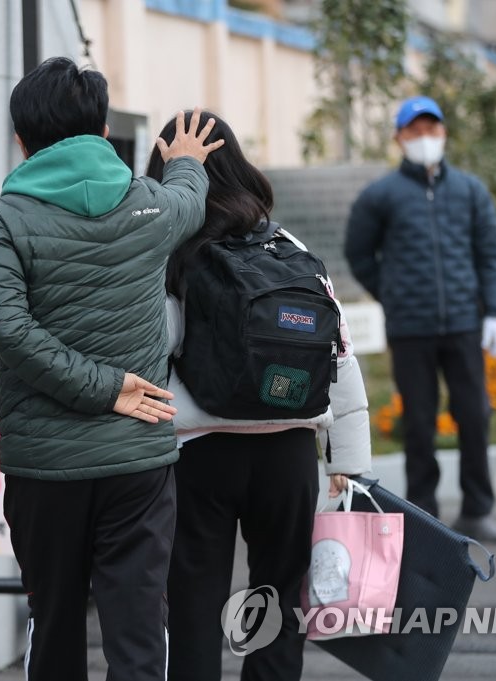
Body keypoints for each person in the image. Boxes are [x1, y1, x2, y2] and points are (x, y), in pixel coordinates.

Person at [0, 57, 223, 681]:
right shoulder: (149, 205)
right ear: (104, 131)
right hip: (139, 461)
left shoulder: (5, 221)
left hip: (45, 465)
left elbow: (2, 324)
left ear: (22, 139)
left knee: (53, 624)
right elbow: (191, 201)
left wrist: (100, 389)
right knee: (137, 632)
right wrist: (187, 158)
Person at [146, 110, 373, 681]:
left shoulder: (172, 249)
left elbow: (152, 346)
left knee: (192, 604)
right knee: (278, 604)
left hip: (199, 455)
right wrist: (346, 460)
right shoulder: (286, 244)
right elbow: (337, 350)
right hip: (290, 452)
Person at [344, 95, 496, 543]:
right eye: (414, 130)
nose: (425, 138)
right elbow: (358, 254)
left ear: (444, 133)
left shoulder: (471, 191)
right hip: (411, 328)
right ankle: (426, 516)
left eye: (432, 129)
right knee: (418, 421)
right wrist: (393, 295)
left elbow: (489, 255)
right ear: (399, 137)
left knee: (473, 416)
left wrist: (495, 311)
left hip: (463, 324)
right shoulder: (381, 196)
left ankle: (477, 510)